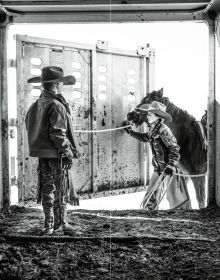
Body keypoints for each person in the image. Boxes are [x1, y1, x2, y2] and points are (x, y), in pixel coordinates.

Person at [25, 66, 80, 235]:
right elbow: (57, 134)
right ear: (57, 84)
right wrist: (67, 152)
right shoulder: (57, 105)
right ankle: (60, 224)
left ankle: (47, 225)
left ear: (43, 84)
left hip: (42, 155)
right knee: (61, 190)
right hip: (56, 155)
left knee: (47, 189)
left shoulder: (35, 105)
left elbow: (29, 126)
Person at [123, 101, 186, 210]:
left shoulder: (163, 130)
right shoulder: (153, 129)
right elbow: (146, 138)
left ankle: (181, 217)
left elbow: (174, 148)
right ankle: (150, 215)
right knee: (151, 195)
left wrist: (171, 165)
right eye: (148, 114)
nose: (147, 117)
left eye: (150, 115)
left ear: (157, 117)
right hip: (159, 168)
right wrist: (131, 132)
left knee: (176, 199)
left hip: (169, 168)